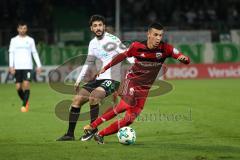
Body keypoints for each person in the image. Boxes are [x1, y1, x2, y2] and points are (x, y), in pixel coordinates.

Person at [81, 22, 190, 144]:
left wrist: (184, 59)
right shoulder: (137, 46)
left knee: (129, 120)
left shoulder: (166, 49)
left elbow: (183, 57)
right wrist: (105, 68)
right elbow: (122, 56)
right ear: (149, 34)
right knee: (125, 105)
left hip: (145, 88)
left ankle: (100, 134)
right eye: (155, 35)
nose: (158, 38)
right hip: (131, 80)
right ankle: (93, 125)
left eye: (160, 35)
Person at [57, 15, 134, 141]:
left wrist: (138, 66)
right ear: (91, 28)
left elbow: (128, 55)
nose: (98, 28)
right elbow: (88, 62)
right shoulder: (92, 43)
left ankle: (92, 129)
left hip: (113, 79)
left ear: (104, 26)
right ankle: (70, 134)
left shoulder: (113, 40)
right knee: (77, 99)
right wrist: (78, 79)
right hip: (99, 78)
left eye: (100, 25)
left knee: (94, 96)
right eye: (95, 26)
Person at [9, 21, 42, 113]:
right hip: (17, 67)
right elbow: (11, 53)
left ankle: (24, 105)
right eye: (21, 28)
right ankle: (25, 101)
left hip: (28, 66)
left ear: (26, 29)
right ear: (18, 29)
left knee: (26, 85)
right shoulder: (13, 40)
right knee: (18, 87)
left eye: (24, 28)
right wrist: (11, 66)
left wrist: (39, 65)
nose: (22, 30)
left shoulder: (30, 40)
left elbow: (34, 53)